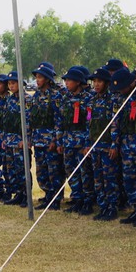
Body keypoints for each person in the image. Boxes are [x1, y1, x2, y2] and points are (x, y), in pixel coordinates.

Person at [110, 68, 136, 227]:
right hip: (126, 145)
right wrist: (114, 143)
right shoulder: (120, 98)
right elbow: (115, 123)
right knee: (129, 179)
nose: (121, 90)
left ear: (132, 82)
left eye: (123, 87)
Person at [27, 62, 64, 210]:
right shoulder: (36, 96)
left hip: (51, 140)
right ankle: (48, 195)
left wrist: (56, 139)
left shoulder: (55, 96)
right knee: (41, 172)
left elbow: (59, 119)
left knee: (54, 171)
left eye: (40, 77)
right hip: (38, 140)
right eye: (36, 77)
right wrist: (30, 138)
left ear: (48, 79)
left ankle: (56, 199)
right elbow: (31, 118)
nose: (37, 80)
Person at [58, 66, 94, 215]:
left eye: (69, 80)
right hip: (68, 142)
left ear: (78, 82)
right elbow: (60, 121)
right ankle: (77, 198)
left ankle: (88, 201)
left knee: (84, 172)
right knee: (70, 171)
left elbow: (89, 122)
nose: (66, 83)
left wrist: (87, 144)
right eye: (65, 80)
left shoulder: (88, 99)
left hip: (81, 142)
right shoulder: (65, 98)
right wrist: (60, 141)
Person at [87, 67, 120, 221]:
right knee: (98, 178)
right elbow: (89, 123)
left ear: (107, 83)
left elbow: (115, 124)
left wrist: (114, 145)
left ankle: (112, 207)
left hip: (107, 146)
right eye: (94, 81)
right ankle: (103, 206)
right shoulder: (91, 100)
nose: (96, 84)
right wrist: (88, 143)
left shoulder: (113, 100)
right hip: (95, 146)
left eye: (99, 81)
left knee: (109, 178)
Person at [1, 71, 31, 208]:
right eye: (9, 84)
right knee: (11, 169)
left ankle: (26, 195)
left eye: (13, 83)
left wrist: (27, 138)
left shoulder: (27, 99)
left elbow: (30, 121)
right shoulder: (10, 99)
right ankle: (18, 194)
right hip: (9, 140)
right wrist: (4, 138)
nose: (11, 86)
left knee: (22, 169)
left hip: (20, 141)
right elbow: (7, 121)